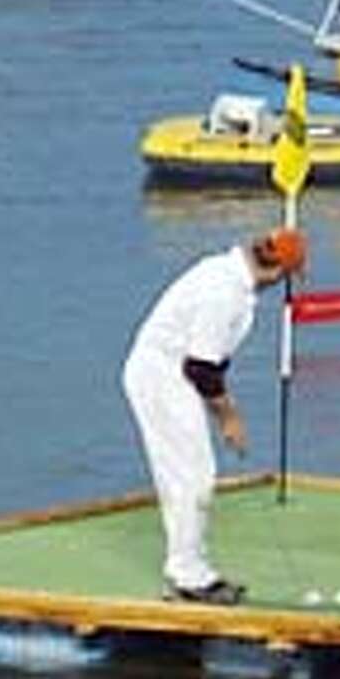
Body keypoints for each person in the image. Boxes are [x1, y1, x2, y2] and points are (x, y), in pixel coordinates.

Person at [122, 229, 308, 603]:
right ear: (277, 273)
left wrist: (223, 410)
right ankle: (187, 576)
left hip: (176, 374)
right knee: (192, 475)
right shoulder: (225, 293)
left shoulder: (229, 275)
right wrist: (229, 418)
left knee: (191, 475)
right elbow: (202, 369)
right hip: (161, 375)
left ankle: (190, 567)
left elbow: (210, 362)